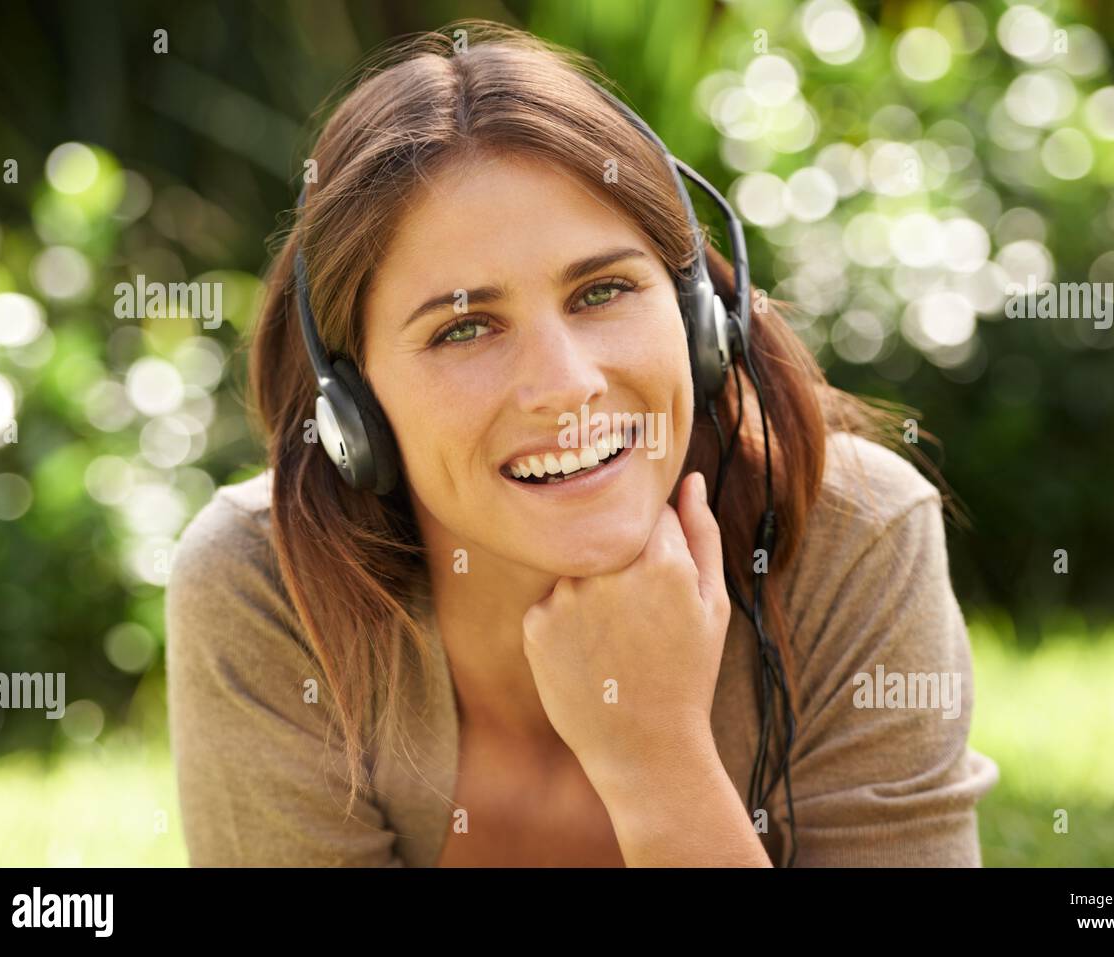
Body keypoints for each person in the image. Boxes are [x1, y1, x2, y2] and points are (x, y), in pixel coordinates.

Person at [165, 19, 999, 867]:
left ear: (699, 321)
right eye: (464, 328)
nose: (565, 384)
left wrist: (654, 757)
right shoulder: (266, 592)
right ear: (354, 405)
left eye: (602, 290)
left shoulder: (854, 535)